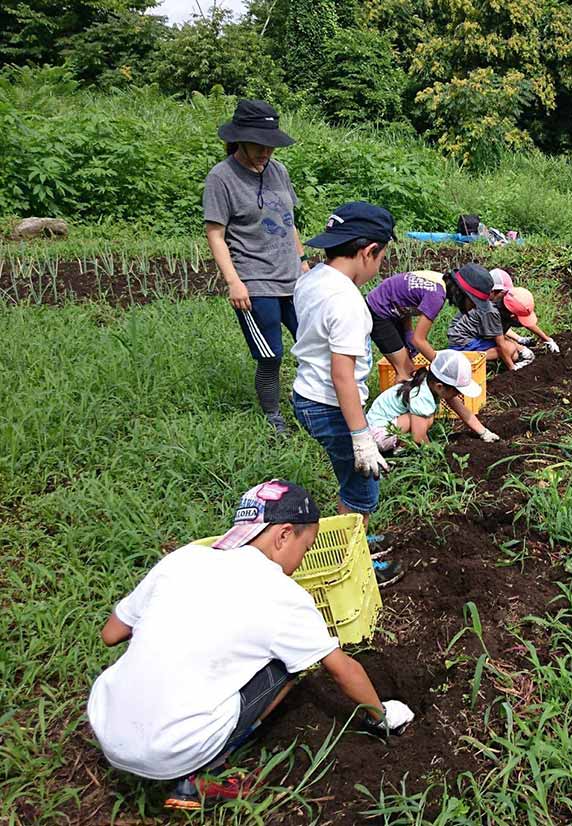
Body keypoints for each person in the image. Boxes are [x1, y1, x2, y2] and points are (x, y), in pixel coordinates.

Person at [87, 481, 414, 810]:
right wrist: (381, 717)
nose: (300, 561)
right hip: (171, 750)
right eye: (305, 547)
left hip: (107, 725)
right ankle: (202, 775)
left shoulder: (183, 559)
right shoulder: (281, 595)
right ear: (284, 535)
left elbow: (111, 634)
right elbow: (342, 670)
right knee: (289, 665)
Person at [289, 202, 403, 586]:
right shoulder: (348, 303)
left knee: (354, 477)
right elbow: (342, 375)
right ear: (368, 251)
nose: (380, 266)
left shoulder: (313, 279)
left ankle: (358, 542)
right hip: (329, 404)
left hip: (307, 394)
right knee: (362, 485)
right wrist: (361, 438)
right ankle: (352, 562)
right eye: (381, 257)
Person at [204, 100, 309, 435]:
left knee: (311, 344)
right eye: (259, 145)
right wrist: (233, 281)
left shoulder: (278, 171)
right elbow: (216, 234)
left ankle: (310, 405)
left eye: (271, 146)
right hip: (254, 279)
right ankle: (273, 415)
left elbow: (290, 222)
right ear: (240, 140)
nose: (266, 152)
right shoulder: (222, 178)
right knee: (271, 354)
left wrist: (303, 262)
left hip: (291, 277)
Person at [366, 350, 498, 450]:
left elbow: (462, 410)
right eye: (457, 390)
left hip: (383, 428)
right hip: (377, 435)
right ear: (440, 387)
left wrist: (484, 433)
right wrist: (435, 454)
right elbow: (418, 437)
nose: (459, 394)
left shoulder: (430, 382)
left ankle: (402, 445)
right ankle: (402, 449)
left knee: (426, 418)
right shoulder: (421, 396)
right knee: (425, 419)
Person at [364, 270, 448, 382]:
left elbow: (404, 299)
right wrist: (443, 367)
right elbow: (418, 340)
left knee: (409, 369)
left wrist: (408, 331)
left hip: (391, 308)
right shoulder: (436, 297)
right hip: (378, 310)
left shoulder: (439, 280)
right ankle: (394, 399)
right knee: (405, 371)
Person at [445, 263, 531, 371]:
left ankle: (479, 360)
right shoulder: (490, 311)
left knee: (513, 354)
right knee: (510, 349)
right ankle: (462, 358)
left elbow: (498, 334)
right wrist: (512, 368)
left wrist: (521, 344)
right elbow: (500, 342)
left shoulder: (492, 306)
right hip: (462, 342)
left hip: (467, 337)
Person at [500, 287, 560, 354]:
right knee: (512, 353)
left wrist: (547, 339)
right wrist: (520, 348)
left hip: (502, 323)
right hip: (489, 334)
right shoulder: (493, 315)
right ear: (512, 315)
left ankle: (519, 339)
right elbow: (497, 337)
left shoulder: (512, 297)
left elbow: (527, 323)